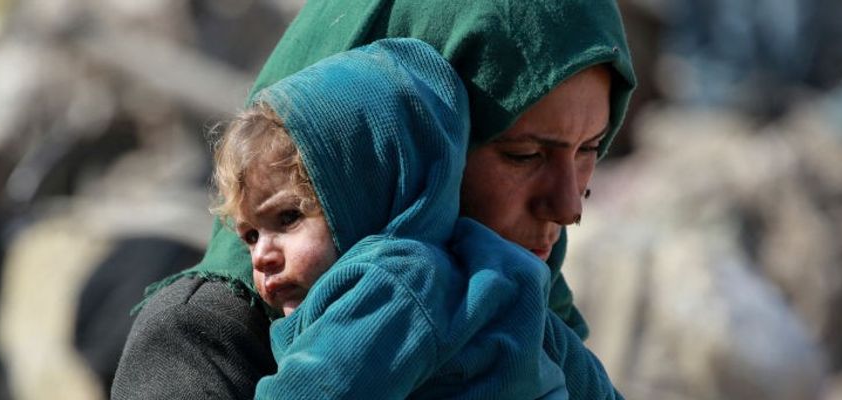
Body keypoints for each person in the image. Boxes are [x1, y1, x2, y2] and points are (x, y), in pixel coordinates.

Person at [111, 0, 636, 398]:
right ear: (410, 150)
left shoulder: (531, 313)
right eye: (524, 154)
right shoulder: (201, 343)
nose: (569, 206)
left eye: (591, 150)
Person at [211, 38, 616, 398]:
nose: (262, 256)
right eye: (249, 236)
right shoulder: (499, 279)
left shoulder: (393, 285)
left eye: (288, 218)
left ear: (369, 194)